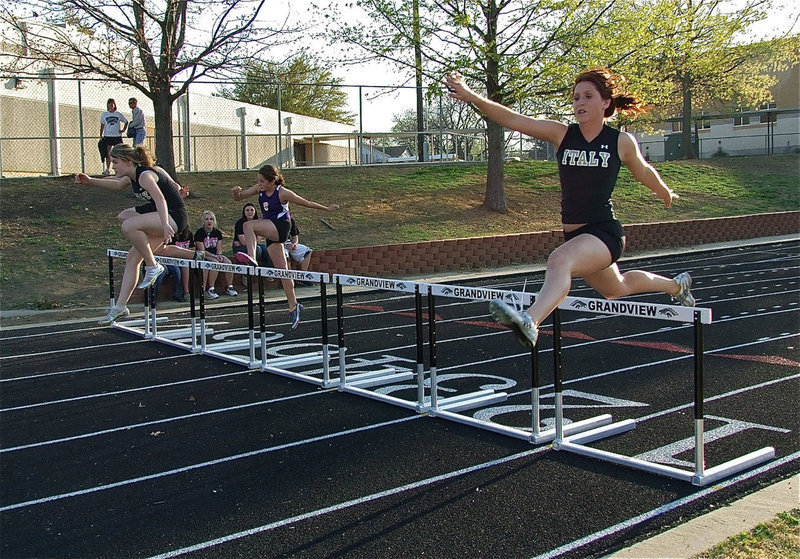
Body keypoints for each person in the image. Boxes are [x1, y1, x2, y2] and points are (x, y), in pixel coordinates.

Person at [444, 68, 695, 349]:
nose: (580, 103)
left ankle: (530, 321)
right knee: (616, 288)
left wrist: (663, 190)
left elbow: (643, 170)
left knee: (559, 261)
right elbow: (512, 119)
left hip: (604, 233)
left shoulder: (620, 141)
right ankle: (676, 285)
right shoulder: (562, 134)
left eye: (588, 96)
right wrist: (472, 95)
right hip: (576, 236)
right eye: (576, 98)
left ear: (606, 103)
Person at [75, 144, 201, 324]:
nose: (113, 166)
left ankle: (153, 265)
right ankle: (120, 307)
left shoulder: (145, 175)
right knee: (132, 253)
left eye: (116, 162)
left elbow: (160, 199)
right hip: (157, 214)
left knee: (128, 226)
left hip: (173, 216)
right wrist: (91, 181)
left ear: (128, 161)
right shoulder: (132, 176)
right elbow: (116, 184)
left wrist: (165, 224)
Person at [231, 164, 339, 328]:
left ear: (272, 181)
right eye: (258, 181)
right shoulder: (259, 189)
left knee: (248, 226)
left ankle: (252, 258)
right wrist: (235, 192)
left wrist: (327, 209)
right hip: (269, 229)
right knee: (283, 272)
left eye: (262, 181)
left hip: (281, 226)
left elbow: (306, 203)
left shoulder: (282, 192)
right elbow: (239, 197)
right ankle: (294, 306)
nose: (259, 184)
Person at [194, 210, 238, 300]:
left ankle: (229, 286)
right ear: (203, 221)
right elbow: (202, 250)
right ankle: (211, 288)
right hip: (204, 255)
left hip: (215, 255)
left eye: (211, 219)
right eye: (206, 219)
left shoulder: (217, 232)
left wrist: (219, 255)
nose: (209, 221)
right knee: (215, 264)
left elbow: (219, 247)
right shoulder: (199, 233)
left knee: (228, 263)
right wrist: (214, 257)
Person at [99, 99, 128, 175]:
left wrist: (123, 130)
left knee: (119, 153)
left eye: (112, 103)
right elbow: (102, 125)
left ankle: (119, 169)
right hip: (108, 136)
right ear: (107, 105)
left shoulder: (118, 114)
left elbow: (126, 121)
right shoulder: (105, 114)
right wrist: (101, 135)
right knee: (108, 153)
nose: (111, 105)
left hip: (117, 136)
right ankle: (107, 169)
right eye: (109, 103)